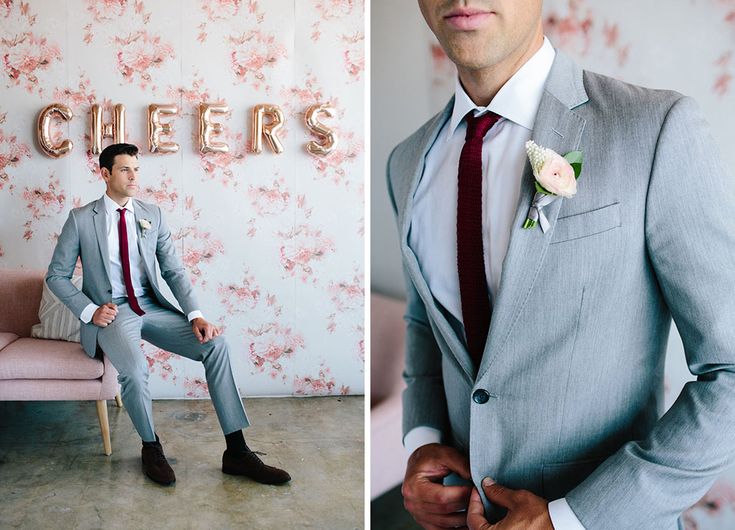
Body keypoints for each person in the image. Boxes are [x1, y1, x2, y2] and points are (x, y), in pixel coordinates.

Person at [386, 1, 735, 529]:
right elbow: (424, 322)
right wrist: (422, 442)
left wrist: (572, 520)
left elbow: (729, 372)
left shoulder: (655, 128)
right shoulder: (406, 162)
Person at [46, 143, 291, 487]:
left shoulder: (152, 214)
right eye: (124, 170)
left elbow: (174, 270)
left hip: (150, 305)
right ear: (105, 174)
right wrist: (89, 310)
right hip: (113, 312)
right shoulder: (82, 219)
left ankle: (236, 450)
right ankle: (151, 446)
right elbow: (56, 275)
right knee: (133, 369)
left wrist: (195, 314)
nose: (133, 176)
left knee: (215, 347)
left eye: (136, 169)